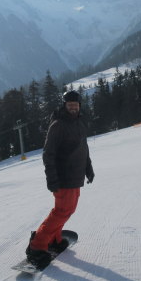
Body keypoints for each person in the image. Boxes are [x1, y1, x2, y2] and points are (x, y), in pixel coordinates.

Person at [25, 90, 95, 268]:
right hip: (63, 178)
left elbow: (83, 149)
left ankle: (54, 239)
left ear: (79, 107)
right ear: (65, 106)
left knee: (68, 210)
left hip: (76, 177)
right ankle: (37, 245)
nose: (73, 107)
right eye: (70, 105)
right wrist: (52, 179)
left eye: (76, 105)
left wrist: (89, 169)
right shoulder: (58, 125)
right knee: (61, 212)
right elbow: (48, 154)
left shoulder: (79, 123)